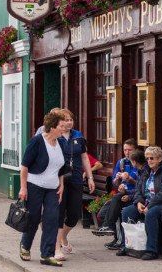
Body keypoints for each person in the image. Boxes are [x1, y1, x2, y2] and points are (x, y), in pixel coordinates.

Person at [18, 109, 68, 267]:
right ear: (52, 127)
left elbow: (61, 167)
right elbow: (24, 166)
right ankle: (25, 245)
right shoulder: (37, 141)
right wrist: (23, 188)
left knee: (52, 219)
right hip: (34, 185)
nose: (64, 128)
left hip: (53, 188)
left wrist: (62, 185)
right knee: (33, 217)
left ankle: (47, 254)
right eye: (61, 125)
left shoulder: (61, 143)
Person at [117, 146, 162, 260]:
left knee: (151, 213)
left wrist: (149, 205)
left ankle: (152, 250)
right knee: (127, 211)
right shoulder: (146, 172)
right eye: (147, 158)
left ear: (160, 159)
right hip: (146, 203)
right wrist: (138, 202)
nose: (149, 161)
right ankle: (126, 245)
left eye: (152, 158)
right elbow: (138, 190)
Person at [54, 108, 95, 261]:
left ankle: (63, 236)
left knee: (74, 214)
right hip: (59, 179)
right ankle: (56, 247)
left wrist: (90, 177)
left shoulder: (78, 135)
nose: (69, 122)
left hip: (76, 178)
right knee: (59, 212)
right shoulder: (55, 136)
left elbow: (84, 157)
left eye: (71, 119)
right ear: (59, 121)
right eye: (66, 119)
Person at [97, 138, 139, 238]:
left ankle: (110, 228)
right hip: (122, 193)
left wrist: (129, 179)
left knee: (117, 203)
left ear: (135, 150)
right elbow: (114, 182)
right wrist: (118, 182)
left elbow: (142, 185)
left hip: (133, 195)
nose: (127, 152)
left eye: (130, 150)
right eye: (125, 150)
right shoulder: (121, 162)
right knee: (102, 213)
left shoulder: (139, 163)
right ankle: (114, 236)